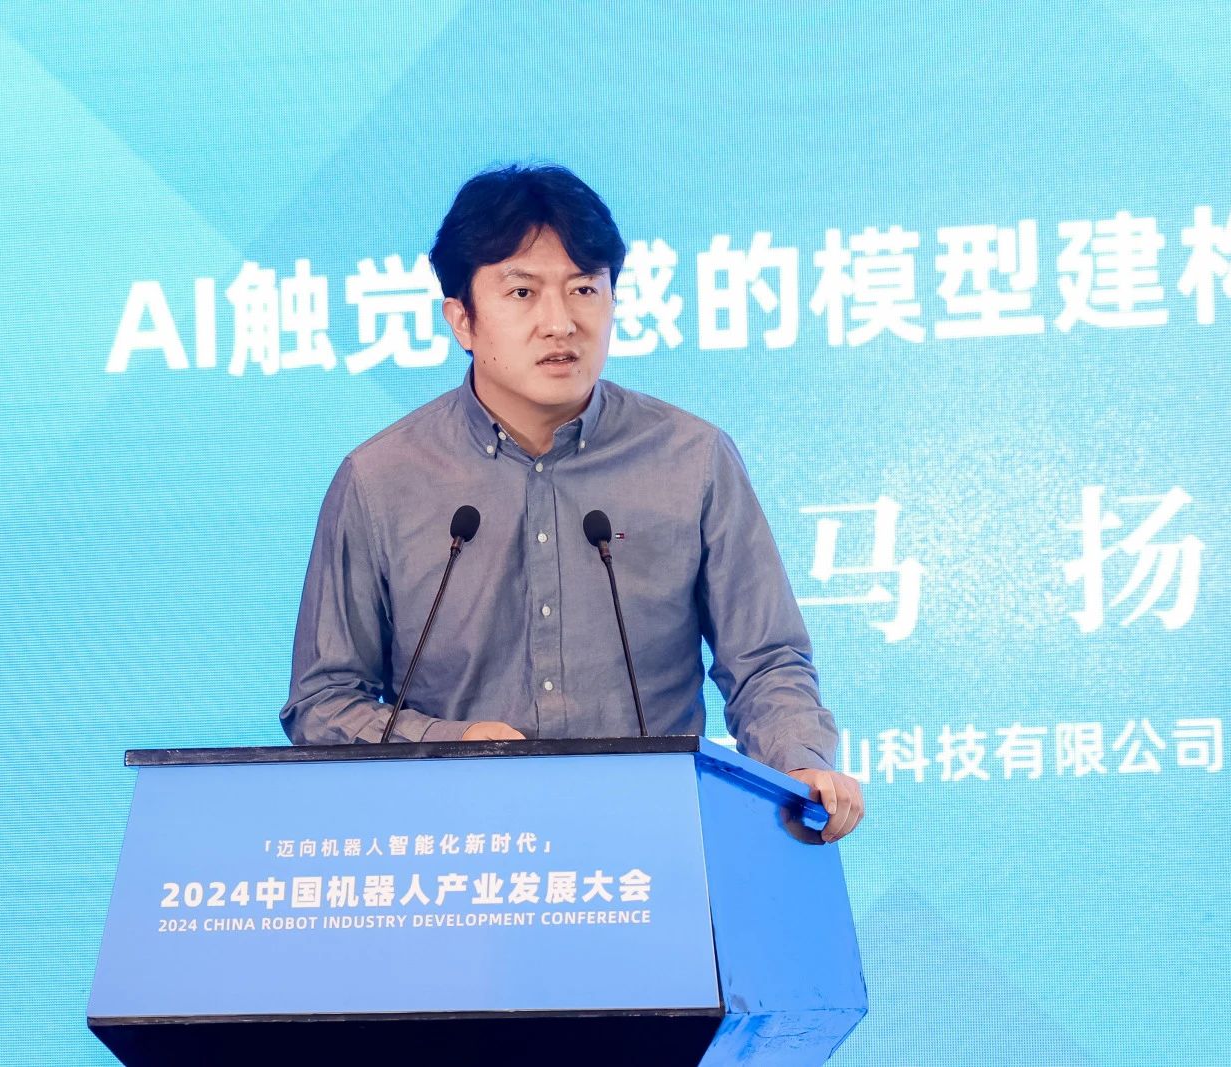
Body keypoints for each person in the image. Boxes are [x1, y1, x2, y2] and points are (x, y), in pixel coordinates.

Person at [281, 163, 863, 842]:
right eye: (522, 292)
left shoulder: (692, 459)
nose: (560, 323)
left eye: (585, 288)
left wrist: (800, 762)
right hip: (454, 851)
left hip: (653, 848)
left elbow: (766, 661)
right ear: (462, 319)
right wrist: (448, 742)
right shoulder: (381, 479)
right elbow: (323, 702)